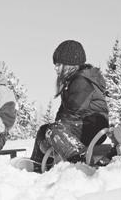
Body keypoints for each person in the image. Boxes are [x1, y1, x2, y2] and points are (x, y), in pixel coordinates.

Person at [29, 40, 109, 172]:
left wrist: (56, 133)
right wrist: (50, 136)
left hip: (91, 126)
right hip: (80, 125)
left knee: (53, 130)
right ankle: (37, 166)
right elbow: (63, 115)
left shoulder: (81, 81)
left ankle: (80, 161)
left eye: (59, 64)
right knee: (45, 130)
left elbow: (74, 111)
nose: (55, 68)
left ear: (70, 64)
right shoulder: (71, 82)